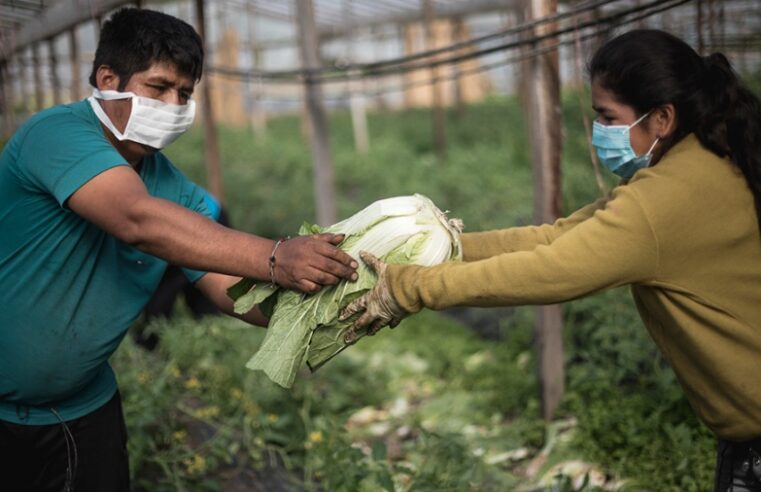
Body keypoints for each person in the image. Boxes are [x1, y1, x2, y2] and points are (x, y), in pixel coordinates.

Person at [342, 29, 761, 491]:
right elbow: (560, 236)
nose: (600, 132)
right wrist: (451, 246)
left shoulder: (667, 199)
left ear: (661, 117)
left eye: (608, 117)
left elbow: (552, 270)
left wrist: (408, 288)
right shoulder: (698, 165)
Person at [0, 8, 357, 491]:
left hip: (86, 412)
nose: (173, 104)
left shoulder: (173, 188)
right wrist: (277, 257)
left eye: (184, 94)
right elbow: (135, 219)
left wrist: (349, 307)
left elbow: (233, 292)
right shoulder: (55, 134)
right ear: (108, 78)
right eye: (158, 87)